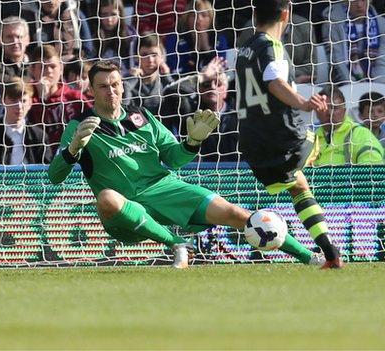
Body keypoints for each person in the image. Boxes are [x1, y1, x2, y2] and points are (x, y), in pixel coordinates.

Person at [48, 61, 325, 269]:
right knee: (106, 198)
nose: (112, 91)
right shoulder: (80, 126)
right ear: (92, 91)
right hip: (125, 211)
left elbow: (173, 159)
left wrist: (192, 142)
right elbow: (54, 176)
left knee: (237, 214)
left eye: (116, 84)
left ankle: (310, 257)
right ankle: (177, 243)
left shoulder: (141, 117)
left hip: (164, 189)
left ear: (122, 84)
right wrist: (72, 151)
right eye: (103, 86)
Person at [235, 0, 343, 268]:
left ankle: (330, 253)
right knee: (316, 143)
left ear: (254, 14)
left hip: (252, 144)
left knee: (298, 185)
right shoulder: (272, 46)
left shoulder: (245, 48)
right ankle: (330, 251)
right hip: (284, 139)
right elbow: (275, 83)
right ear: (286, 14)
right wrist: (303, 103)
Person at [0, 77, 51, 165]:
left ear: (30, 103)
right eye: (13, 100)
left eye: (23, 101)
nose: (19, 106)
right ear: (3, 101)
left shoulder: (39, 136)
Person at [310, 85, 384, 166]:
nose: (329, 113)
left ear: (344, 111)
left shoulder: (360, 134)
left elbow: (372, 172)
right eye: (324, 108)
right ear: (316, 111)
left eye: (335, 108)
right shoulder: (311, 137)